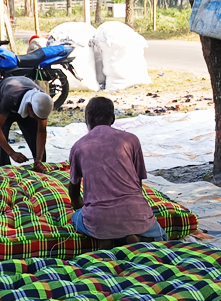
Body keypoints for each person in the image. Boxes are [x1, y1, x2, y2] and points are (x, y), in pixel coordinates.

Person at [67, 97, 166, 245]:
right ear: (112, 118)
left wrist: (84, 211)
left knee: (77, 218)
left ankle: (104, 238)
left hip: (98, 219)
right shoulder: (131, 140)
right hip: (136, 214)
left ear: (89, 117)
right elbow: (137, 184)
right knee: (161, 238)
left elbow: (74, 193)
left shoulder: (79, 146)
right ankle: (140, 238)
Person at [0, 76, 51, 172]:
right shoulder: (10, 98)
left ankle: (39, 167)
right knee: (2, 146)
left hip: (21, 100)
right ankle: (6, 173)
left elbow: (41, 131)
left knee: (34, 139)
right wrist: (12, 153)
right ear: (29, 107)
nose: (38, 119)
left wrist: (39, 159)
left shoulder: (43, 101)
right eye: (36, 116)